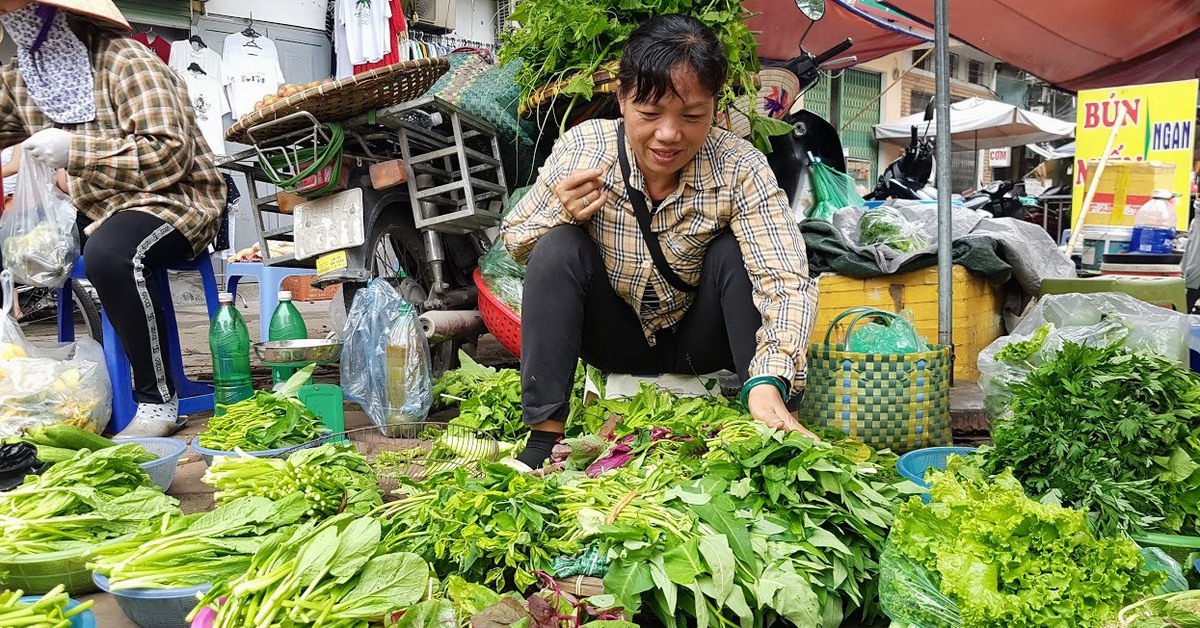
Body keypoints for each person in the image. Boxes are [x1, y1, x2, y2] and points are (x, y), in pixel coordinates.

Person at [502, 14, 820, 469]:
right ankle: (541, 442)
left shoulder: (740, 168)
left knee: (734, 252)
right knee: (558, 247)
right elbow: (515, 242)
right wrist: (560, 209)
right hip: (614, 335)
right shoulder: (584, 150)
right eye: (650, 114)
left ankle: (772, 421)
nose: (669, 134)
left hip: (700, 339)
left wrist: (772, 376)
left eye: (692, 116)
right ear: (622, 99)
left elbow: (785, 281)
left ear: (715, 107)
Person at [0, 0, 226, 436]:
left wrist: (76, 150)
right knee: (26, 246)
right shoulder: (24, 76)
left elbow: (169, 153)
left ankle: (157, 402)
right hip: (100, 208)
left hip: (175, 199)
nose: (15, 22)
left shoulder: (126, 61)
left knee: (110, 254)